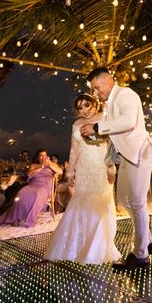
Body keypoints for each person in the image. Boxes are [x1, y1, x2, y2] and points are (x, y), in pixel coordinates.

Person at [81, 68, 152, 270]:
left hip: (140, 153)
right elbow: (115, 132)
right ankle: (148, 240)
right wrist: (94, 135)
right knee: (125, 200)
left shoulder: (126, 94)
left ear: (108, 80)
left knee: (137, 202)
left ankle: (140, 255)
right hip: (126, 156)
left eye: (97, 88)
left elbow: (127, 122)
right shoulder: (109, 104)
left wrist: (98, 128)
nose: (96, 93)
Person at [45, 94, 121, 264]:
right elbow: (74, 149)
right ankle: (78, 246)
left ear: (95, 104)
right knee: (81, 203)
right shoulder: (76, 124)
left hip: (102, 167)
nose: (84, 110)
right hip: (84, 168)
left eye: (87, 105)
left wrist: (111, 166)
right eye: (80, 107)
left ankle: (97, 248)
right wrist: (71, 171)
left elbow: (112, 143)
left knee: (100, 204)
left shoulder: (104, 117)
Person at [0, 148, 62, 227]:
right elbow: (29, 174)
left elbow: (60, 171)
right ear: (38, 157)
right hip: (33, 185)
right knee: (21, 193)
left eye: (45, 155)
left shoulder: (51, 165)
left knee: (38, 193)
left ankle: (30, 219)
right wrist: (41, 167)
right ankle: (15, 217)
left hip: (45, 187)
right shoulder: (33, 165)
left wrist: (50, 165)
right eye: (41, 155)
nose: (43, 157)